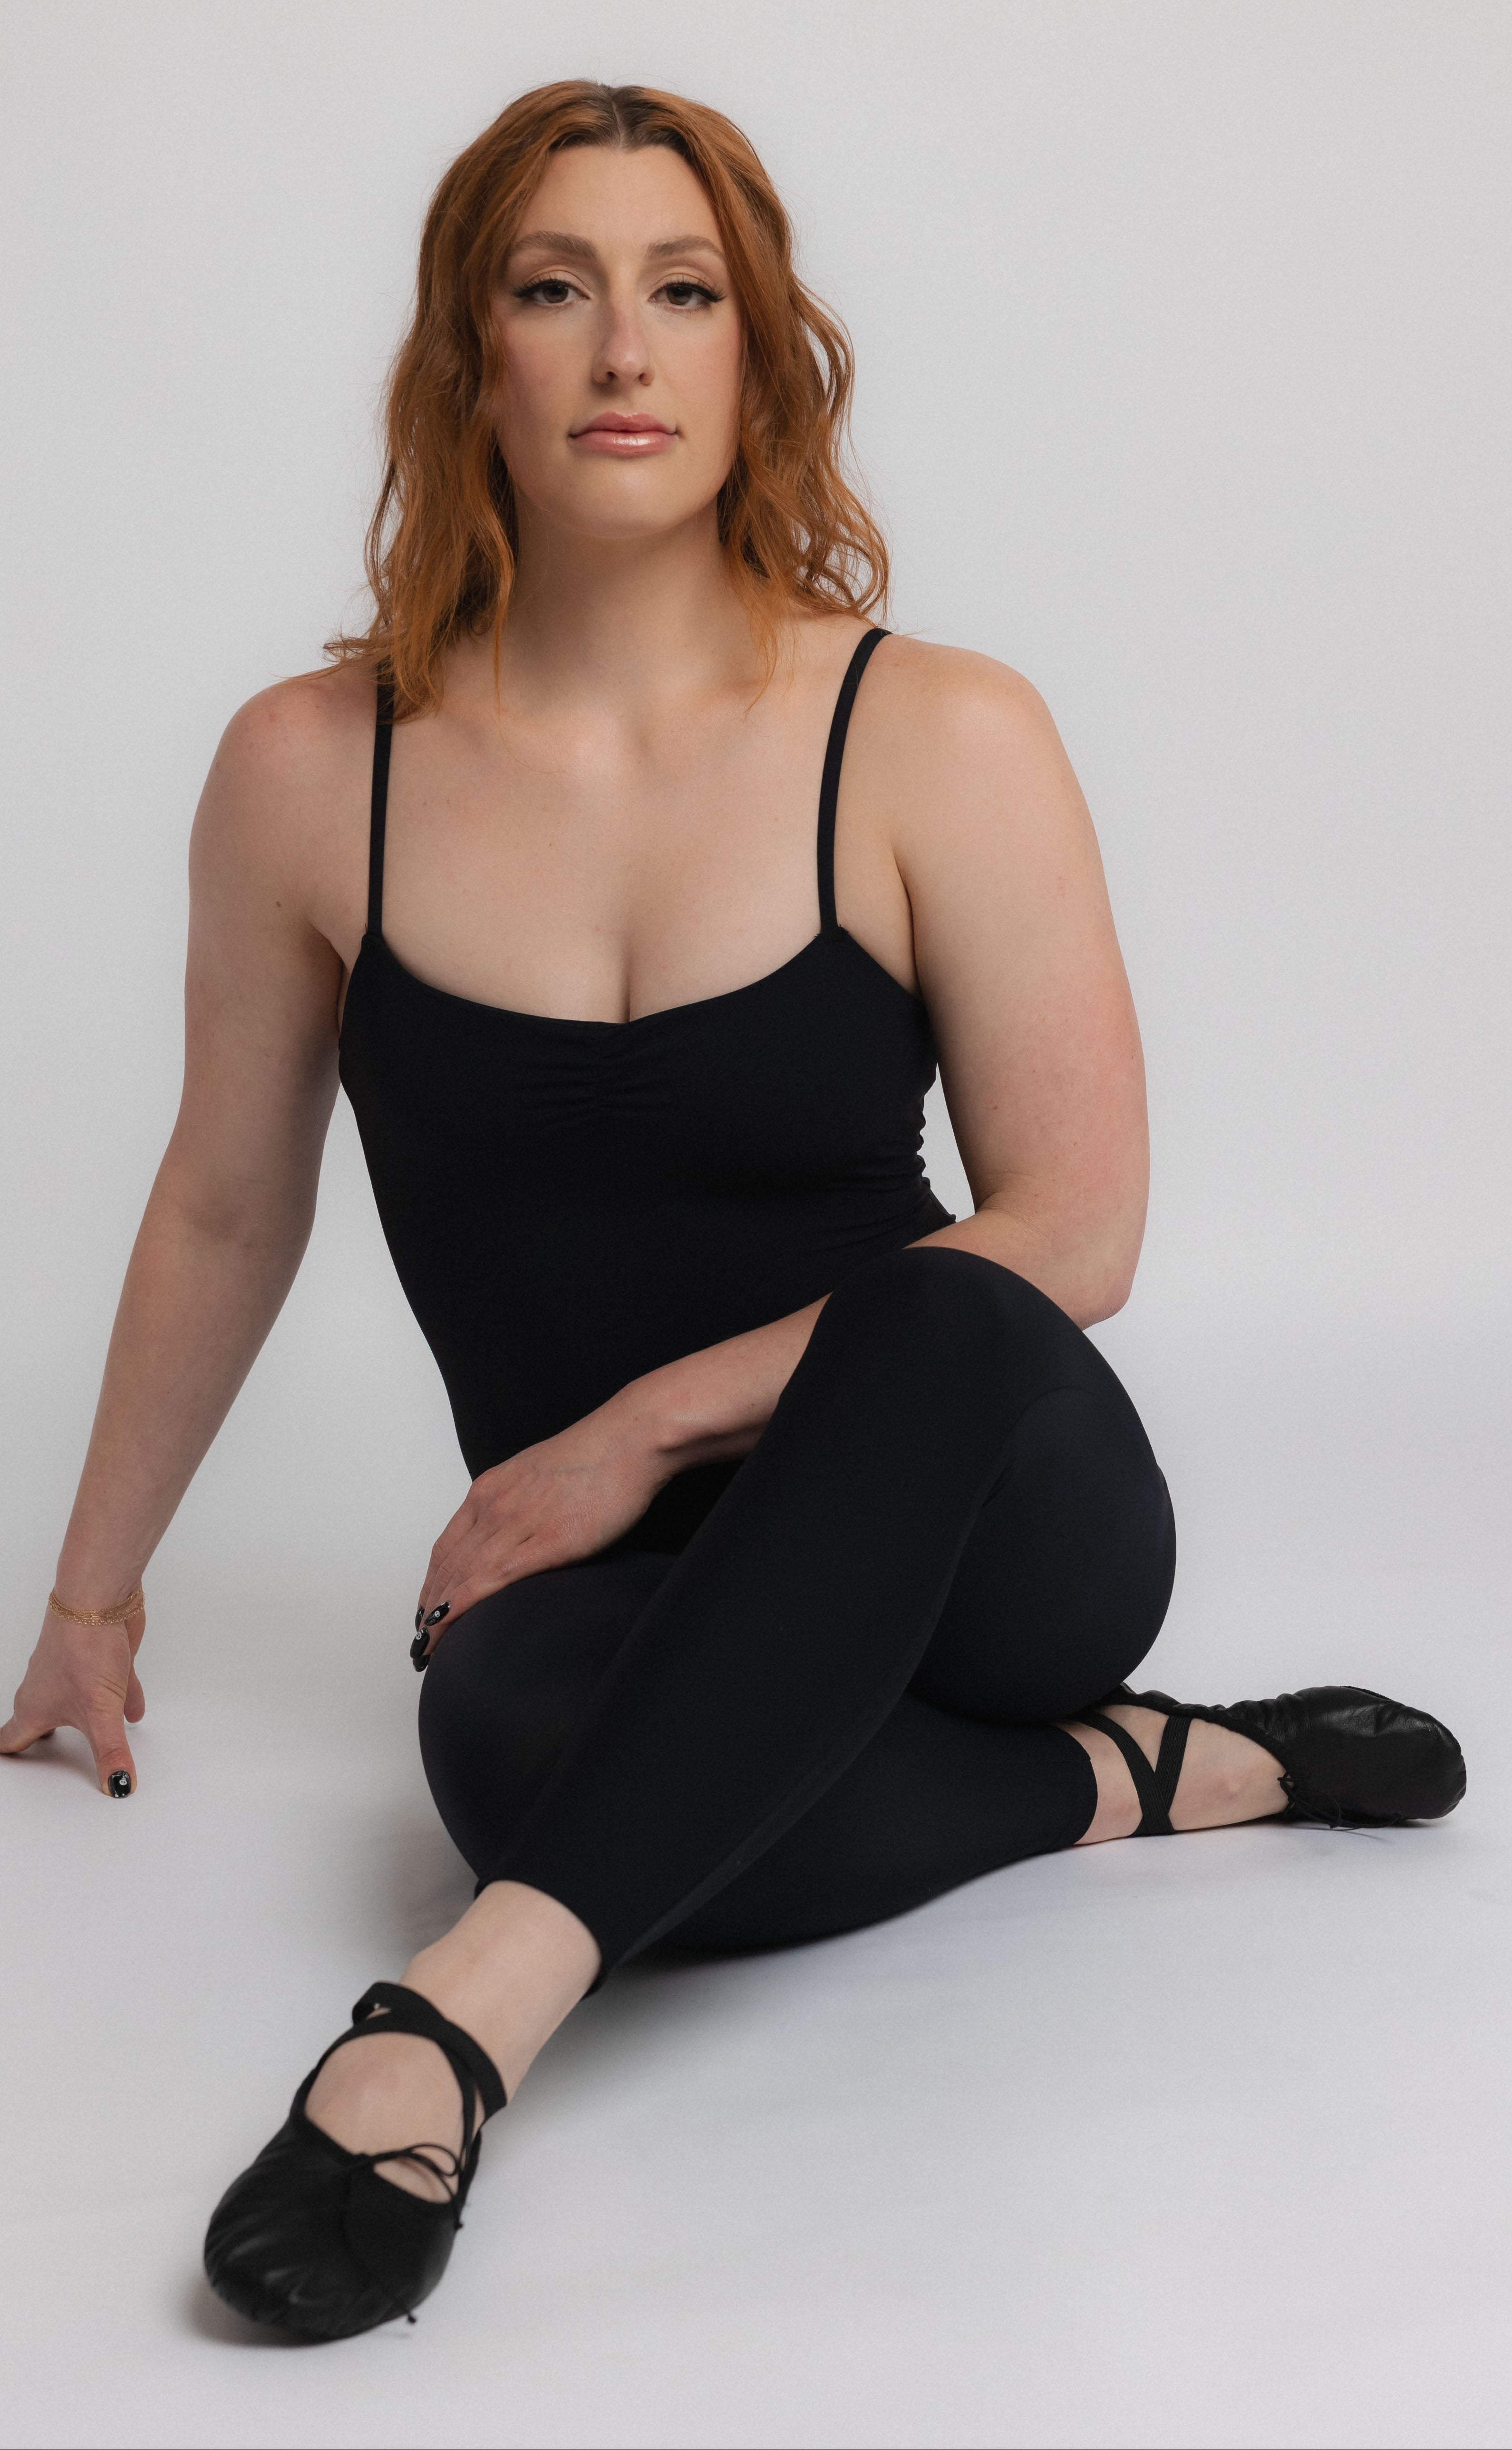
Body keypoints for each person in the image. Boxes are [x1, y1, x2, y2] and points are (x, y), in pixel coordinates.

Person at [2, 80, 1464, 2344]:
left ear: (759, 352)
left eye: (683, 292)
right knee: (504, 1755)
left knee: (931, 1311)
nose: (624, 350)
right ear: (467, 355)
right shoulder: (308, 776)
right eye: (554, 289)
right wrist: (92, 1599)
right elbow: (222, 1204)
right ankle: (1128, 1777)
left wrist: (632, 1428)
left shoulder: (935, 732)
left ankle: (456, 2025)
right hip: (643, 1595)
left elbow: (1077, 1227)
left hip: (989, 1531)